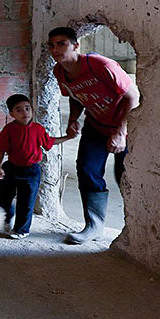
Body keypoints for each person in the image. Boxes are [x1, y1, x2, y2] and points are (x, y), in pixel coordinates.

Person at [48, 26, 140, 244]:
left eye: (61, 44)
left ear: (76, 45)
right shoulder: (59, 72)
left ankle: (137, 229)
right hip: (96, 125)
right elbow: (75, 96)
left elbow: (133, 96)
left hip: (125, 127)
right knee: (87, 169)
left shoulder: (100, 65)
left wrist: (121, 131)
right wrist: (73, 120)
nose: (55, 49)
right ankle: (94, 226)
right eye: (51, 45)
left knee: (125, 175)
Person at [0, 94, 69, 239]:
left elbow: (49, 142)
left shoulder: (38, 129)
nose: (25, 112)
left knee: (26, 202)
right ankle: (9, 212)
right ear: (12, 114)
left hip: (31, 171)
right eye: (19, 110)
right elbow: (1, 149)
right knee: (3, 198)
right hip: (11, 168)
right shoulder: (9, 130)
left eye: (27, 108)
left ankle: (21, 230)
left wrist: (68, 137)